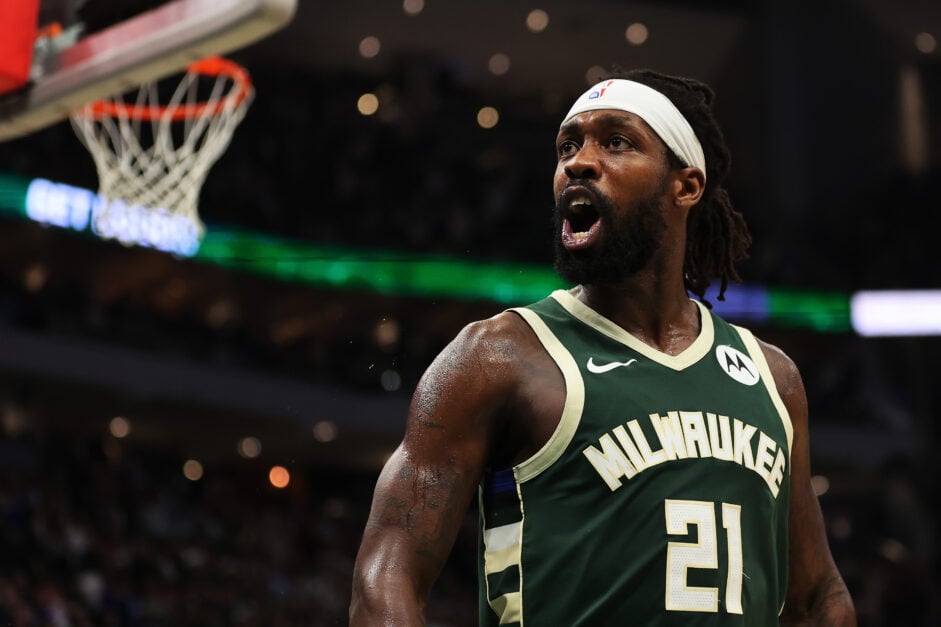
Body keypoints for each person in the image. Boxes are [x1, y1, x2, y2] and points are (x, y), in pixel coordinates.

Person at [350, 68, 856, 626]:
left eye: (616, 142)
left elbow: (818, 599)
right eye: (568, 145)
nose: (579, 161)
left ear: (685, 186)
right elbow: (386, 579)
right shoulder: (497, 357)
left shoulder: (773, 379)